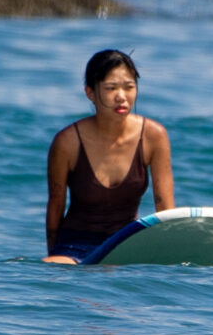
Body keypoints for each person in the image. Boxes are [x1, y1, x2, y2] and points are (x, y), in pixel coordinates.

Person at [44, 48, 173, 262]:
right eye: (111, 88)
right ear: (90, 93)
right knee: (51, 266)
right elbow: (56, 205)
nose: (121, 97)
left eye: (129, 87)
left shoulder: (154, 136)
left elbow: (165, 208)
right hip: (74, 245)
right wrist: (54, 254)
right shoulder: (67, 142)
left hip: (125, 245)